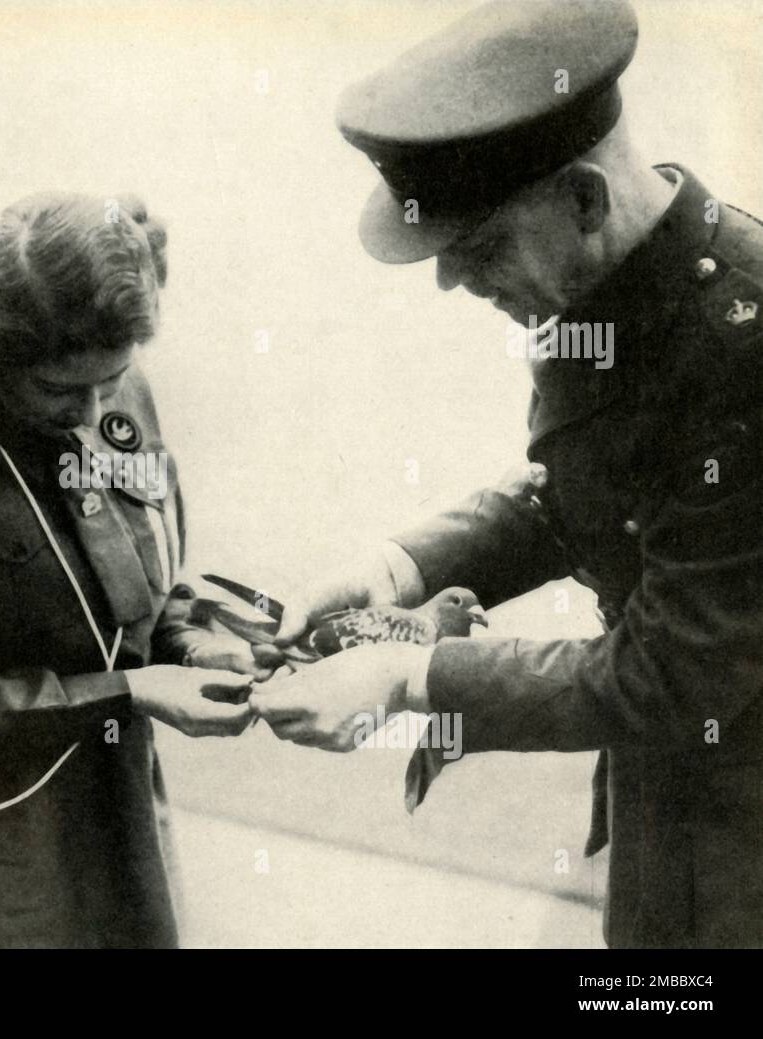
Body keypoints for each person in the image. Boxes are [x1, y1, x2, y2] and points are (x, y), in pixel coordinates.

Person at [250, 0, 763, 948]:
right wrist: (399, 567)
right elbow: (588, 489)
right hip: (676, 808)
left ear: (583, 198)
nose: (453, 283)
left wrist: (411, 678)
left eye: (478, 248)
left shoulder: (746, 345)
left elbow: (670, 668)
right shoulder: (608, 280)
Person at [0, 192, 271, 948]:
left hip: (119, 817)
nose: (94, 412)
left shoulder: (116, 388)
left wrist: (190, 643)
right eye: (61, 390)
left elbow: (136, 594)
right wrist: (131, 690)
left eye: (112, 380)